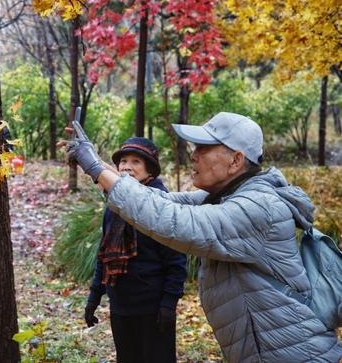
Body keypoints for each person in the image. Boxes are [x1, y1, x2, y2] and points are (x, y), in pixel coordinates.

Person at [65, 112, 342, 362]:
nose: (193, 155)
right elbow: (155, 199)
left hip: (293, 354)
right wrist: (94, 161)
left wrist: (93, 165)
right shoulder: (226, 197)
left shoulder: (258, 208)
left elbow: (173, 221)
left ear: (236, 160)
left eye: (204, 148)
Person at [85, 137, 186, 363]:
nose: (127, 167)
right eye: (123, 161)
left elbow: (176, 260)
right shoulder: (114, 206)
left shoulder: (161, 204)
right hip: (121, 306)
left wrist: (169, 304)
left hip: (153, 308)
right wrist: (94, 298)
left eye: (136, 161)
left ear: (149, 168)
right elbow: (104, 255)